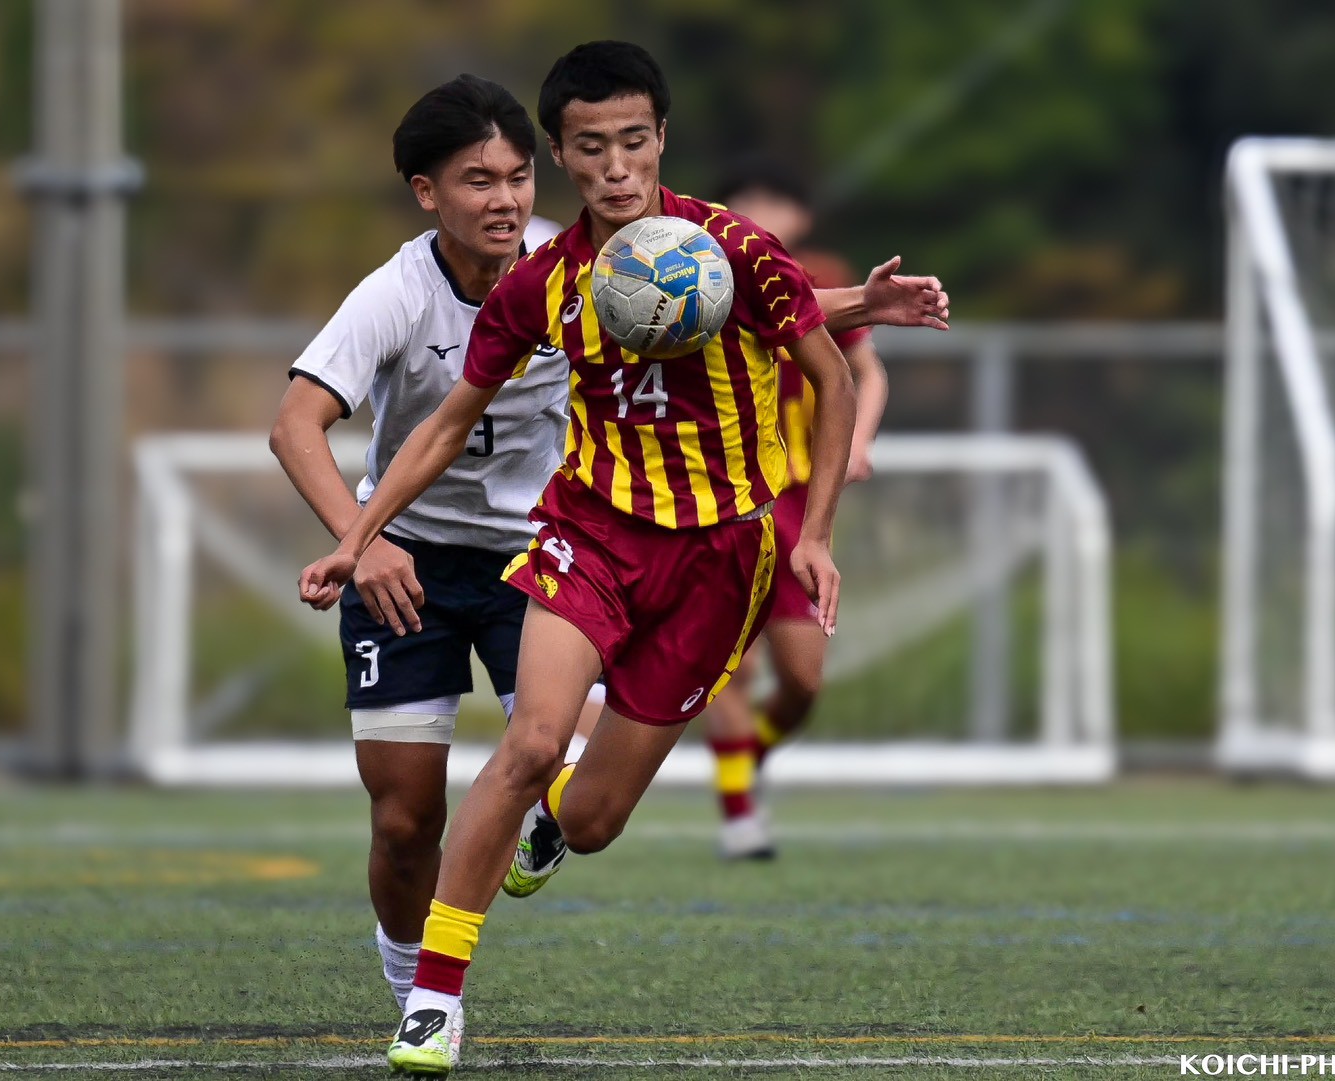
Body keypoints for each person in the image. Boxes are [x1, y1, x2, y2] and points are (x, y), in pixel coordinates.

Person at [297, 41, 948, 1078]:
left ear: (661, 140)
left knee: (593, 816)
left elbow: (826, 375)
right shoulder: (543, 280)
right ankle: (432, 1000)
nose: (614, 167)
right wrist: (358, 534)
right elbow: (444, 422)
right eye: (590, 147)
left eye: (633, 142)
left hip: (720, 559)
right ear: (561, 156)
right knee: (529, 743)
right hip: (587, 534)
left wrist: (815, 533)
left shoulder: (732, 250)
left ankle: (556, 825)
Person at [268, 74, 598, 1073]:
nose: (504, 200)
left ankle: (542, 827)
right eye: (476, 181)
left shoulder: (578, 266)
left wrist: (853, 307)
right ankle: (417, 984)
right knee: (407, 816)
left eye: (518, 177)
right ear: (426, 193)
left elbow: (714, 304)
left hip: (538, 554)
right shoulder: (396, 293)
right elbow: (294, 426)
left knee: (565, 766)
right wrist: (362, 540)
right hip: (406, 564)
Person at [701, 161, 909, 860]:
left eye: (775, 201)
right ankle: (739, 815)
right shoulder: (698, 279)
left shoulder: (822, 281)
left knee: (802, 679)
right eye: (745, 198)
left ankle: (747, 760)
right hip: (722, 500)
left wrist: (859, 441)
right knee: (730, 670)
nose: (759, 211)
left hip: (797, 507)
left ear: (802, 217)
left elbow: (866, 371)